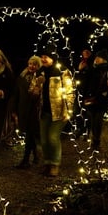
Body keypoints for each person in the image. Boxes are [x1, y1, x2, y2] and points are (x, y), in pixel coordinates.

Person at [37, 43, 75, 177]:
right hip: (45, 111)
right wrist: (37, 83)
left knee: (53, 137)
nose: (43, 59)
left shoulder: (62, 72)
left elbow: (70, 93)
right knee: (44, 140)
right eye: (42, 56)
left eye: (45, 57)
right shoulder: (41, 72)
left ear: (52, 58)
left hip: (59, 112)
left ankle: (55, 164)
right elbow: (33, 91)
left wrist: (68, 110)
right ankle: (47, 163)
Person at [10, 55, 43, 168]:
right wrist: (14, 109)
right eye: (30, 64)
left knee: (30, 133)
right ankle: (35, 155)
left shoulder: (40, 78)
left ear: (38, 66)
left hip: (34, 110)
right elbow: (16, 93)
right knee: (30, 134)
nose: (32, 66)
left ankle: (25, 160)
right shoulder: (22, 76)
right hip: (23, 108)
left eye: (35, 64)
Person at [82, 49, 108, 150]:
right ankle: (93, 141)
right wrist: (82, 71)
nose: (96, 59)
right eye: (96, 57)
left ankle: (96, 142)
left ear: (104, 60)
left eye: (98, 58)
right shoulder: (91, 69)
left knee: (98, 121)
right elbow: (85, 83)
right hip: (90, 99)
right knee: (91, 121)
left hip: (101, 100)